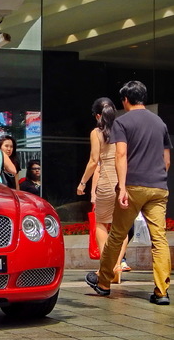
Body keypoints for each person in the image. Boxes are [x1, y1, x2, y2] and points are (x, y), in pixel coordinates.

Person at [85, 81, 171, 305]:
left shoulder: (122, 123)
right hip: (158, 187)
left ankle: (103, 283)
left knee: (117, 235)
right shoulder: (159, 122)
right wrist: (158, 178)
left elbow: (120, 155)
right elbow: (167, 160)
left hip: (133, 186)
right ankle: (162, 291)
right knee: (159, 239)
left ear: (125, 100)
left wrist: (122, 187)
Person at [77, 97, 129, 282]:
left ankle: (107, 268)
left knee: (101, 223)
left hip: (107, 182)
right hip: (124, 181)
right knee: (120, 228)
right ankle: (116, 267)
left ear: (98, 115)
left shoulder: (96, 132)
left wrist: (83, 183)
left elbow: (93, 161)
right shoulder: (123, 129)